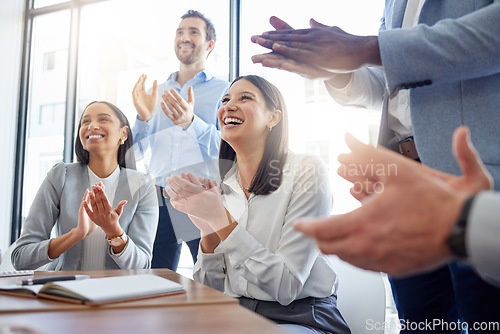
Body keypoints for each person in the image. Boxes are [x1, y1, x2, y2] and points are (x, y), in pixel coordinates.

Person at [251, 3, 500, 332]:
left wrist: (366, 47)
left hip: (479, 177)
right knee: (422, 325)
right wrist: (338, 69)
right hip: (404, 183)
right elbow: (390, 80)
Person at [165, 75, 350, 334]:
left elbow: (285, 287)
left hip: (300, 318)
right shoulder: (223, 186)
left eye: (245, 98)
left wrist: (220, 219)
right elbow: (211, 291)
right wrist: (207, 231)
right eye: (225, 99)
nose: (228, 106)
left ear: (273, 118)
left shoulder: (306, 171)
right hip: (234, 317)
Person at [296, 126, 500, 287]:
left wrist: (461, 215)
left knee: (480, 313)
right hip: (409, 174)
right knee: (419, 318)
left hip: (470, 178)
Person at [131, 10, 230, 270]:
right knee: (154, 282)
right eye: (180, 32)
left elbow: (229, 150)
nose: (184, 37)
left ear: (210, 45)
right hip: (159, 202)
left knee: (214, 280)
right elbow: (135, 155)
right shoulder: (156, 93)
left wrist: (190, 123)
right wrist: (142, 117)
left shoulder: (226, 92)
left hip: (203, 200)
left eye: (193, 32)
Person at [12, 101, 158, 271]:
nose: (92, 126)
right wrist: (76, 234)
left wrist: (114, 232)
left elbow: (142, 265)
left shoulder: (143, 185)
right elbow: (20, 258)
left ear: (123, 134)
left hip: (116, 293)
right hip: (65, 292)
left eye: (103, 119)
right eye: (85, 122)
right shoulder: (60, 176)